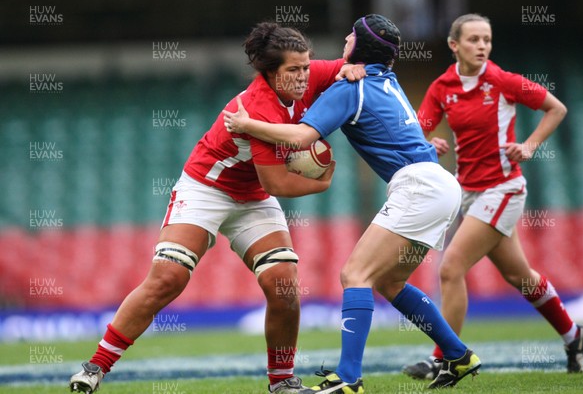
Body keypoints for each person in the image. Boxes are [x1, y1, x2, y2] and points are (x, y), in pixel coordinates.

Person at [69, 22, 367, 394]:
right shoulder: (259, 107)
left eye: (306, 66)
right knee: (167, 278)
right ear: (270, 73)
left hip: (252, 195)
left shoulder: (307, 75)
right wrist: (323, 181)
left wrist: (349, 66)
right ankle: (95, 367)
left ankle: (282, 383)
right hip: (206, 188)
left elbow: (341, 67)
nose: (304, 76)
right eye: (294, 70)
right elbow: (278, 184)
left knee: (284, 285)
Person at [224, 14, 481, 392]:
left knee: (354, 276)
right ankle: (458, 356)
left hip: (420, 186)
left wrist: (248, 126)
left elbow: (300, 137)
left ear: (359, 46)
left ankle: (348, 379)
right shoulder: (385, 80)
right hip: (439, 182)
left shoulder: (349, 88)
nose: (345, 39)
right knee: (391, 282)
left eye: (350, 36)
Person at [403, 13, 583, 380]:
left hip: (504, 189)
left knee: (450, 267)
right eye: (473, 40)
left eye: (487, 39)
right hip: (469, 194)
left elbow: (557, 108)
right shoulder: (442, 87)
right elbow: (417, 130)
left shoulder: (502, 80)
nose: (482, 46)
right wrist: (427, 143)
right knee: (519, 276)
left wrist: (531, 145)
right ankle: (574, 335)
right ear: (454, 45)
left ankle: (445, 358)